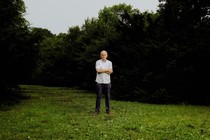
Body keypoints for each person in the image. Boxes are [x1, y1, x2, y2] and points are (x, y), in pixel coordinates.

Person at [94, 50, 113, 115]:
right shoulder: (98, 62)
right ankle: (97, 111)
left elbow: (110, 72)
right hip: (99, 81)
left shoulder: (109, 62)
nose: (103, 56)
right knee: (98, 96)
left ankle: (108, 110)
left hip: (107, 82)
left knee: (107, 96)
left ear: (107, 55)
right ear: (100, 56)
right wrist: (107, 70)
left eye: (104, 55)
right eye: (102, 55)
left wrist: (103, 70)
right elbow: (98, 71)